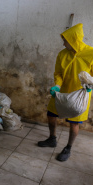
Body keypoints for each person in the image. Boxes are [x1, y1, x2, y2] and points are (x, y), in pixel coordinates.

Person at [38, 23, 93, 161]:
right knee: (51, 114)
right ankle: (52, 139)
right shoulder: (62, 54)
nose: (63, 44)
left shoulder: (91, 54)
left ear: (74, 40)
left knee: (74, 123)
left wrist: (90, 86)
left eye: (65, 41)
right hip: (61, 92)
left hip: (80, 95)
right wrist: (57, 85)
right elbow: (58, 73)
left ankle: (68, 148)